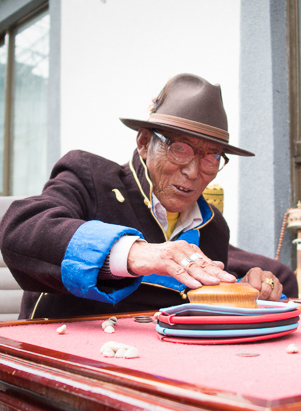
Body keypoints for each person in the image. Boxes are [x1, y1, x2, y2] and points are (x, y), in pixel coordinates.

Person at [0, 73, 286, 319]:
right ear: (144, 143)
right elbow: (20, 229)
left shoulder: (213, 226)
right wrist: (134, 253)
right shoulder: (90, 177)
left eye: (211, 156)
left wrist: (247, 289)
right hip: (63, 351)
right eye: (180, 148)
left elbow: (202, 309)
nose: (192, 172)